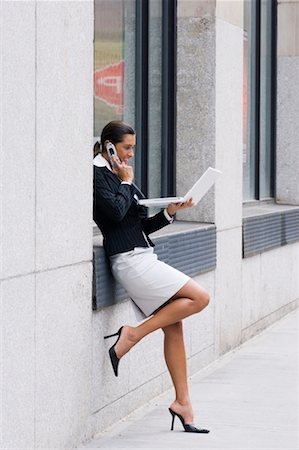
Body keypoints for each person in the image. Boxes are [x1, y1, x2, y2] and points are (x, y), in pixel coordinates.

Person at [93, 120, 210, 433]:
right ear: (109, 145)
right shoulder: (97, 175)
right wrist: (127, 182)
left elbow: (138, 225)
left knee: (175, 326)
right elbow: (115, 214)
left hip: (143, 254)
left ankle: (183, 403)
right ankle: (131, 335)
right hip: (129, 260)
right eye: (127, 148)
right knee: (200, 297)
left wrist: (171, 212)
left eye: (133, 148)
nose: (130, 154)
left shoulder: (118, 175)